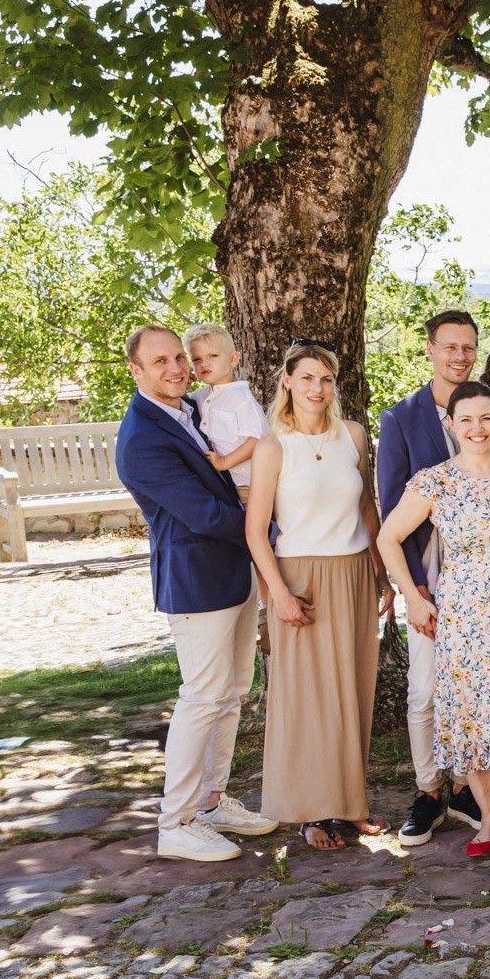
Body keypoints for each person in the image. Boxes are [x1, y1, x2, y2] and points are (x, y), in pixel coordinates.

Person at [378, 381, 490, 858]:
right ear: (452, 425)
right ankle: (488, 815)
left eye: (486, 418)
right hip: (461, 611)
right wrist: (414, 600)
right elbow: (387, 537)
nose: (477, 428)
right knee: (472, 713)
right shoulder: (433, 480)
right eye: (467, 420)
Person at [114, 324, 278, 861]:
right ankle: (175, 821)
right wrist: (271, 527)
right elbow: (205, 515)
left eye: (178, 357)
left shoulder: (189, 410)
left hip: (232, 572)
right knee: (201, 697)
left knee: (231, 693)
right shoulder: (142, 438)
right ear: (136, 371)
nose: (175, 367)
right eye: (159, 361)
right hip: (196, 579)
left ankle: (212, 800)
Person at [376, 309, 490, 847]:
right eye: (449, 346)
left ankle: (469, 787)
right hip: (427, 576)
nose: (459, 356)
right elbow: (392, 510)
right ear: (431, 348)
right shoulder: (400, 419)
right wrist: (410, 592)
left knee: (481, 691)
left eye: (468, 347)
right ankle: (427, 789)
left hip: (489, 579)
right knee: (426, 689)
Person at [244, 339, 393, 850]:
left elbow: (367, 509)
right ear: (287, 380)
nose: (317, 388)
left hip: (353, 573)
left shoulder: (352, 434)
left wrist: (381, 574)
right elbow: (255, 530)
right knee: (309, 697)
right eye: (307, 377)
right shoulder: (272, 446)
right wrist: (277, 595)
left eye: (326, 379)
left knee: (352, 690)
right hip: (300, 578)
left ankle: (349, 804)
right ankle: (312, 811)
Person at [182, 323, 268, 499]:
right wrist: (184, 382)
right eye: (197, 359)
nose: (204, 363)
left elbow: (258, 438)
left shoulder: (241, 398)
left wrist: (224, 462)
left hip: (249, 483)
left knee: (252, 525)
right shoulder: (203, 395)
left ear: (233, 359)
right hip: (223, 484)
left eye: (213, 355)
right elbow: (181, 401)